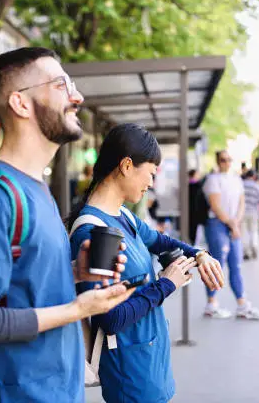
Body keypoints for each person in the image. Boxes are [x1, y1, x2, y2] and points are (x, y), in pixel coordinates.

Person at [0, 47, 134, 403]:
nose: (77, 97)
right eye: (61, 85)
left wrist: (76, 272)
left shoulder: (36, 187)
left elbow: (22, 284)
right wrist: (78, 310)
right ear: (21, 104)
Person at [67, 123, 225, 403]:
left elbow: (161, 242)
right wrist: (166, 284)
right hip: (131, 375)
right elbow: (111, 318)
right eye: (150, 173)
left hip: (149, 363)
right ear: (127, 166)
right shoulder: (96, 231)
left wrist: (199, 254)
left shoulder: (123, 217)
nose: (151, 183)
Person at [203, 150, 259, 320]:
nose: (227, 163)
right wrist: (232, 224)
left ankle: (242, 304)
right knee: (217, 264)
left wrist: (236, 222)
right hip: (217, 223)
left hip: (233, 224)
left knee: (236, 264)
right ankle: (211, 303)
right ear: (218, 161)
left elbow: (241, 202)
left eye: (229, 159)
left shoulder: (236, 179)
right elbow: (215, 205)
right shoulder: (212, 180)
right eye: (223, 160)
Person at [242, 169, 259, 260]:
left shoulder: (241, 185)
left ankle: (246, 252)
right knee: (254, 232)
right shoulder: (258, 186)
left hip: (242, 212)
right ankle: (255, 248)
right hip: (254, 212)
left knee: (244, 233)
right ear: (253, 176)